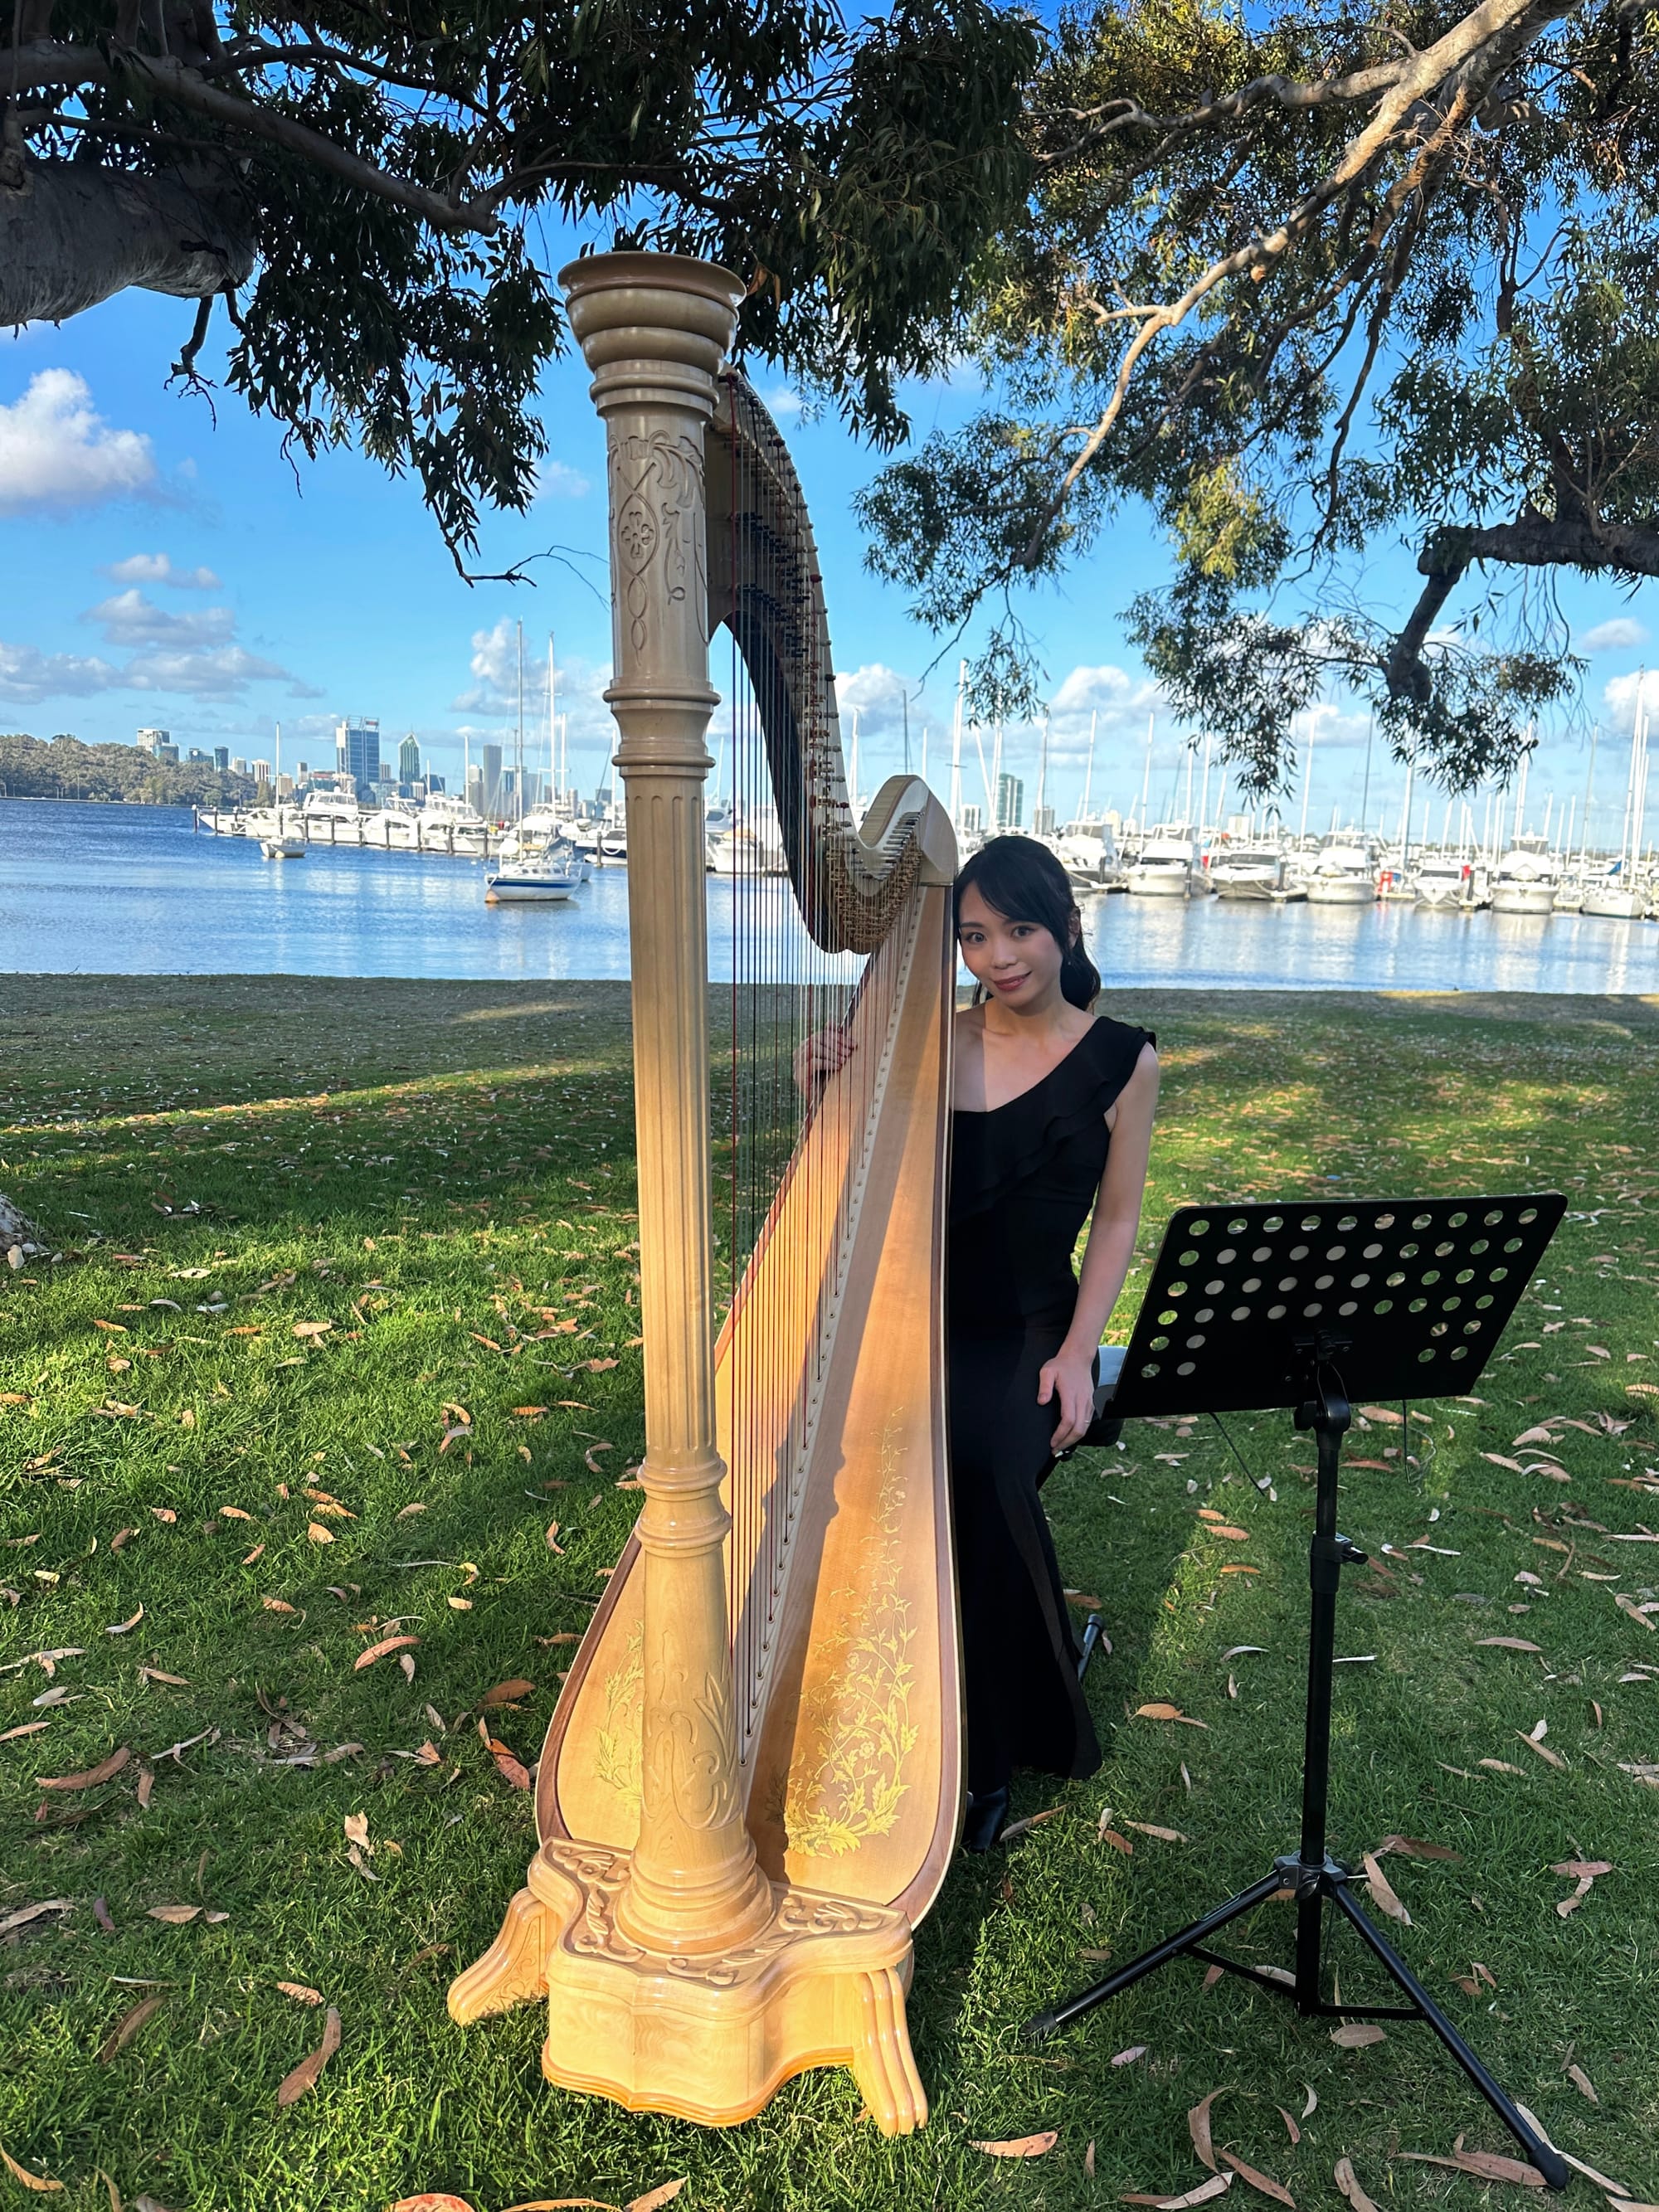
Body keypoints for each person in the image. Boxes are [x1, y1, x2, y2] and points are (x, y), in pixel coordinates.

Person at [799, 834, 1158, 1853]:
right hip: (910, 1310)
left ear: (1064, 927)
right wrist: (815, 1077)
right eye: (972, 936)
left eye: (1018, 930)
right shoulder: (927, 1037)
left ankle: (985, 1754)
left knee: (988, 1477)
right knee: (872, 1470)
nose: (997, 957)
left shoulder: (1124, 1059)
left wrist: (1079, 1354)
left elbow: (1119, 1221)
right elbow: (847, 1162)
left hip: (1029, 1327)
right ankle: (883, 1696)